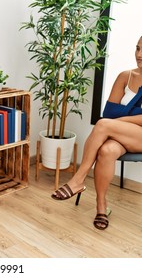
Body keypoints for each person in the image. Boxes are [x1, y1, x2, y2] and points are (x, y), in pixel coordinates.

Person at [51, 36, 142, 230]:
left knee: (103, 125)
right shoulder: (125, 76)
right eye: (137, 48)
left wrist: (115, 122)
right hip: (121, 135)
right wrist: (128, 118)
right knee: (107, 151)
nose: (139, 55)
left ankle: (78, 179)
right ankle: (101, 207)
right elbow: (108, 113)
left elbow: (110, 118)